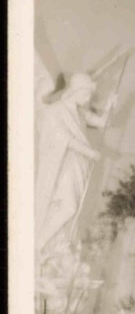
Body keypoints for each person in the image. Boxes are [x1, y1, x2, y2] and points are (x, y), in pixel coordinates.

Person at [35, 73, 115, 263]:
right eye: (86, 94)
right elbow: (63, 138)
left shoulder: (80, 113)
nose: (88, 99)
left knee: (73, 207)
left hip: (79, 165)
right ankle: (39, 244)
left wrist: (111, 104)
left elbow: (105, 123)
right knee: (68, 206)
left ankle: (60, 244)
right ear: (76, 91)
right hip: (65, 164)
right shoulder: (56, 110)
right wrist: (90, 152)